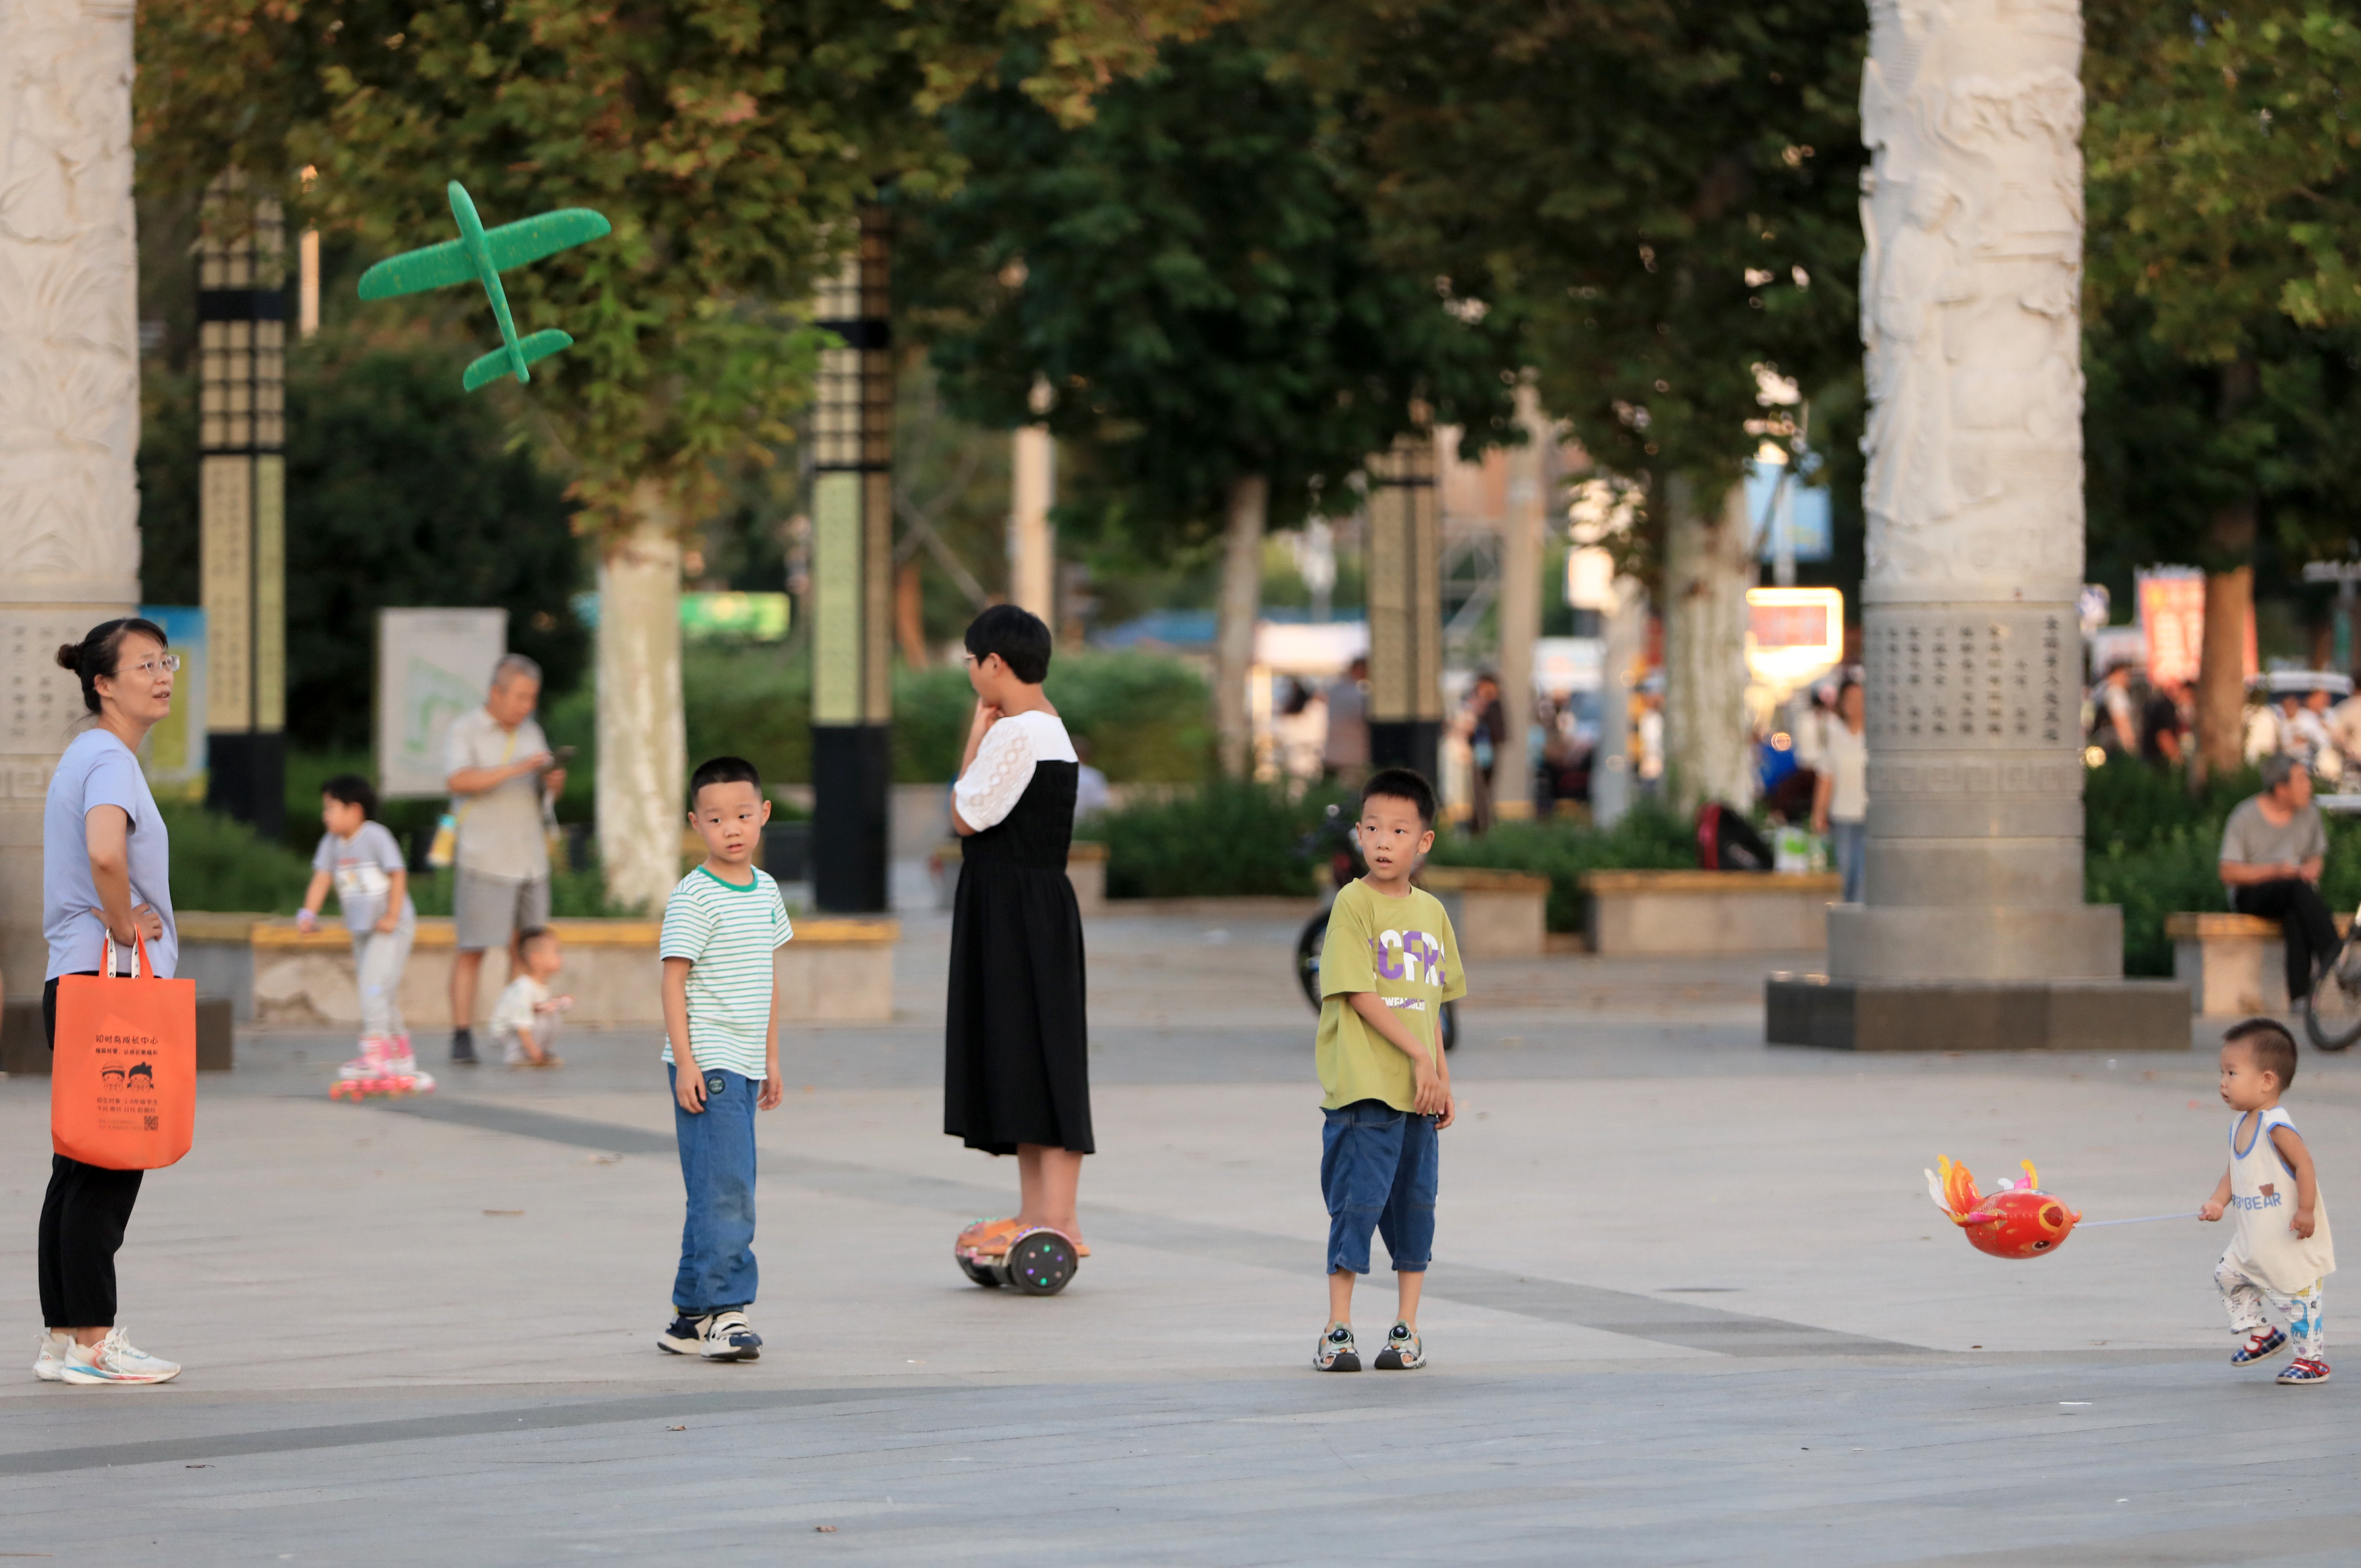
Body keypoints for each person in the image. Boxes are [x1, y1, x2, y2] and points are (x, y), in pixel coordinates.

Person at [34, 618, 183, 1386]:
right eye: (144, 665)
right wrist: (126, 927)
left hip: (75, 981)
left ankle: (63, 1338)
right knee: (111, 1161)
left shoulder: (84, 755)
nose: (162, 675)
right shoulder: (110, 759)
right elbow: (104, 850)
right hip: (110, 984)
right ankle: (96, 1341)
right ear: (103, 683)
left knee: (77, 1163)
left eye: (165, 660)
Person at [945, 606, 1093, 1257]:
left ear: (995, 663)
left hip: (1013, 912)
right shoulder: (1050, 726)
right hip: (1034, 908)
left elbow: (965, 814)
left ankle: (1060, 1221)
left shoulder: (1016, 733)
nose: (971, 672)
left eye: (972, 661)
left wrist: (973, 738)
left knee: (1039, 1059)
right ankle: (1039, 1214)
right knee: (1031, 1057)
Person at [1312, 767, 1462, 1373]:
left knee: (1415, 1208)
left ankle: (1407, 1328)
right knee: (1356, 1204)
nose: (1383, 840)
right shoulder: (1353, 903)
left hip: (1417, 1094)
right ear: (1358, 832)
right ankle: (1337, 1327)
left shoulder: (1433, 913)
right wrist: (1420, 1057)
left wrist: (1440, 1075)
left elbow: (1432, 1008)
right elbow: (1359, 993)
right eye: (1372, 827)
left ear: (1423, 841)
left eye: (1399, 830)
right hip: (1365, 1089)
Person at [656, 757, 792, 1362]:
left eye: (741, 815)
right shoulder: (694, 895)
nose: (731, 828)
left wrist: (770, 1058)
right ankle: (725, 1311)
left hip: (744, 1060)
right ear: (696, 823)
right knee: (729, 1187)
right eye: (715, 819)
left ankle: (690, 1316)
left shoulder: (766, 889)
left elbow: (768, 978)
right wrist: (686, 1062)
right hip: (708, 1061)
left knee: (715, 1184)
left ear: (763, 813)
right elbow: (672, 981)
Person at [443, 654, 567, 1066]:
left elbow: (544, 795)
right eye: (520, 697)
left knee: (525, 951)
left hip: (530, 858)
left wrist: (552, 782)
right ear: (496, 692)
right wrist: (515, 769)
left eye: (532, 698)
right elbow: (458, 779)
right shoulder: (466, 729)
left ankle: (521, 1038)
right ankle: (462, 1034)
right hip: (484, 857)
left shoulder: (533, 732)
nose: (527, 706)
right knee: (473, 947)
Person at [2198, 1018, 2335, 1385]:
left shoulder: (2276, 1125)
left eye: (2232, 1073)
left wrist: (2305, 1209)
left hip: (2288, 1237)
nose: (2223, 1082)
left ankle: (2311, 1360)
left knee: (2300, 1302)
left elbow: (2304, 1165)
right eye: (2222, 1072)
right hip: (2254, 1240)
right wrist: (2217, 1202)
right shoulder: (2238, 1126)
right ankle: (2263, 1334)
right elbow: (2234, 1172)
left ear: (2267, 1081)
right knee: (2227, 1275)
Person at [297, 774, 425, 1088]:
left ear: (355, 811)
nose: (325, 815)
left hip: (392, 927)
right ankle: (400, 1054)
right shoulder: (331, 844)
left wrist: (392, 915)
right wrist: (308, 913)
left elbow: (397, 874)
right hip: (363, 930)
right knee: (381, 991)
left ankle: (376, 1053)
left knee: (373, 986)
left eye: (331, 808)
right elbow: (322, 879)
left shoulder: (375, 837)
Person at [2219, 754, 2338, 1006]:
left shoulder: (2309, 813)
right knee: (2296, 890)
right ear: (2281, 789)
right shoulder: (2245, 816)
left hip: (2295, 892)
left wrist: (2311, 869)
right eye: (2301, 780)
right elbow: (2228, 872)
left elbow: (2315, 857)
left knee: (2295, 911)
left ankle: (2300, 997)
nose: (2309, 786)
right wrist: (2277, 871)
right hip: (2252, 892)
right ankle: (2335, 957)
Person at [1813, 679, 1870, 902]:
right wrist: (1819, 812)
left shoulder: (1875, 738)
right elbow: (1827, 776)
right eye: (1850, 700)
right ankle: (1848, 916)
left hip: (1870, 816)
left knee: (1864, 875)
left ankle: (1859, 919)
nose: (1855, 705)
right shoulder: (1835, 735)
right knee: (1845, 872)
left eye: (1860, 700)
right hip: (1843, 816)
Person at [490, 927, 571, 1068]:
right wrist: (533, 1050)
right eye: (556, 952)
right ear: (537, 959)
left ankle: (540, 1050)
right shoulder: (524, 988)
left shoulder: (540, 985)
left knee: (553, 1017)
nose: (561, 957)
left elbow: (537, 1008)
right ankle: (518, 1054)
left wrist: (558, 1002)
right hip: (510, 1031)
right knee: (543, 1021)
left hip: (524, 1025)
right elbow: (521, 1023)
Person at [1460, 672, 1506, 834]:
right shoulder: (1473, 702)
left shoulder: (1495, 705)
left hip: (1489, 751)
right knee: (1477, 790)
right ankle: (1479, 825)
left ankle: (1485, 824)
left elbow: (1500, 730)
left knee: (1486, 788)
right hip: (1476, 752)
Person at [1321, 656, 1370, 784]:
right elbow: (1363, 717)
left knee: (1329, 790)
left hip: (1332, 752)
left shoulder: (1335, 689)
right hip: (1353, 754)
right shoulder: (1357, 694)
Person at [2140, 676, 2186, 769]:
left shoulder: (2160, 705)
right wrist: (2179, 761)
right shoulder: (2167, 708)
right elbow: (2164, 737)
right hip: (2158, 762)